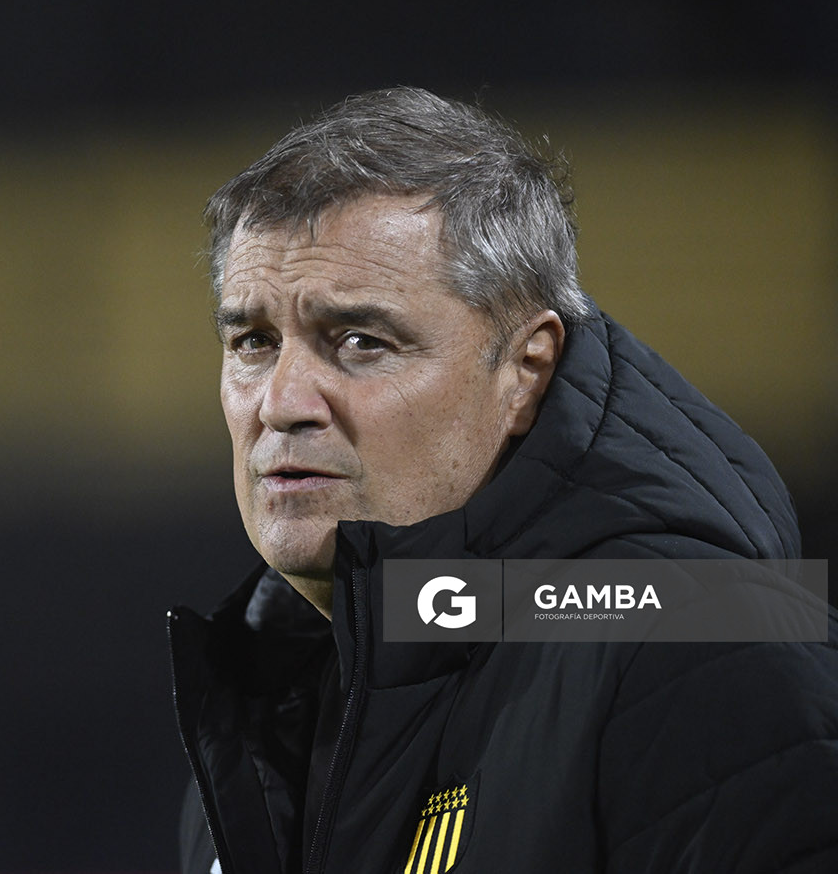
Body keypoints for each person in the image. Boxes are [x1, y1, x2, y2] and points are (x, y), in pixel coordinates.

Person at [168, 87, 838, 874]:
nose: (281, 403)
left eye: (358, 340)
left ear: (525, 370)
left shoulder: (711, 645)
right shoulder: (264, 711)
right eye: (251, 341)